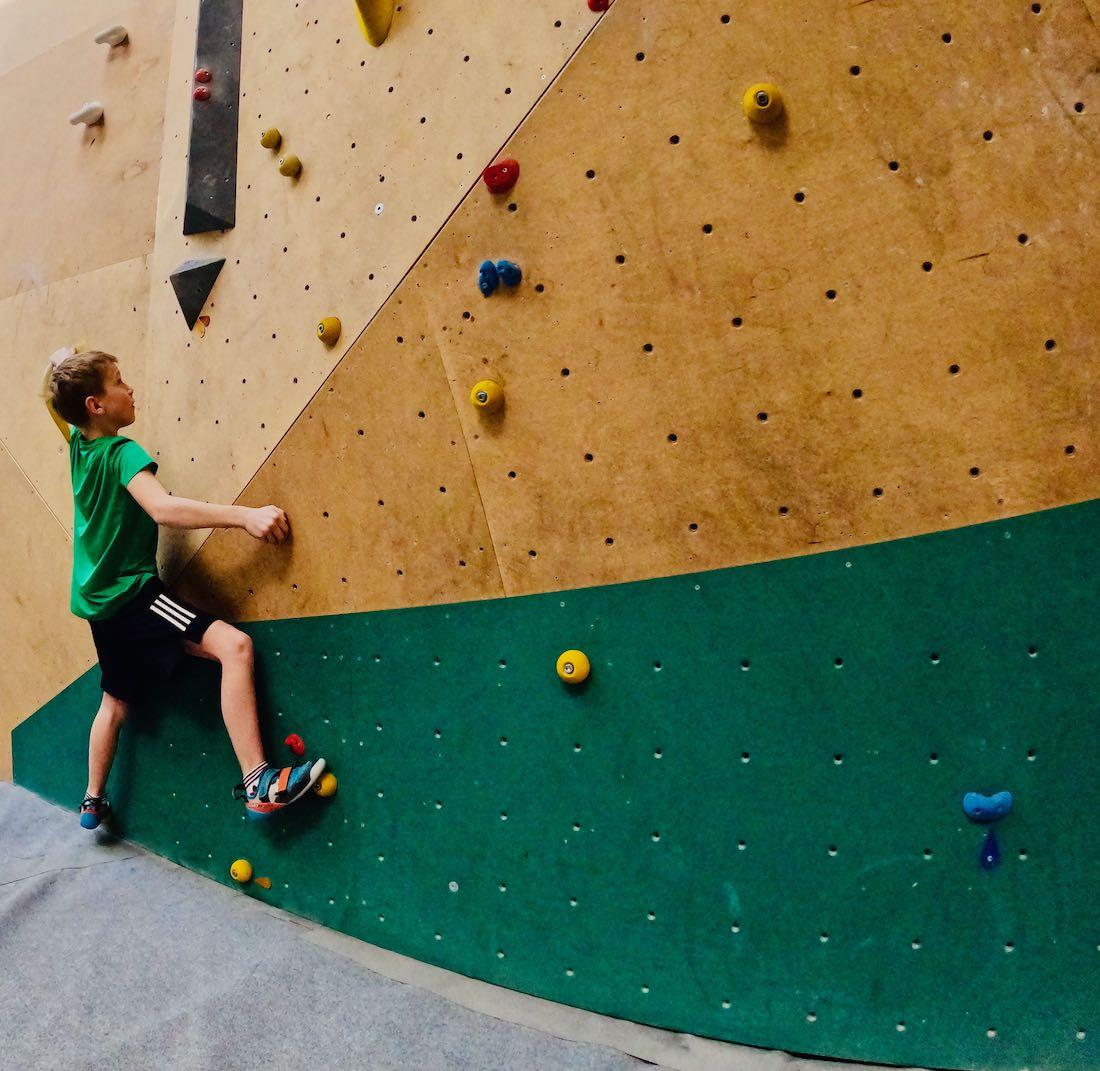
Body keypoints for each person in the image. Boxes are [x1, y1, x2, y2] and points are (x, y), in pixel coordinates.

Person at [40, 346, 326, 829]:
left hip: (96, 605)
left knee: (114, 701)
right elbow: (163, 509)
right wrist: (245, 516)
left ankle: (92, 798)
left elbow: (55, 405)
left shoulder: (78, 447)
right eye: (118, 381)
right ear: (95, 404)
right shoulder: (120, 453)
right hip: (133, 597)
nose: (130, 388)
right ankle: (258, 782)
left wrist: (58, 367)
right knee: (235, 647)